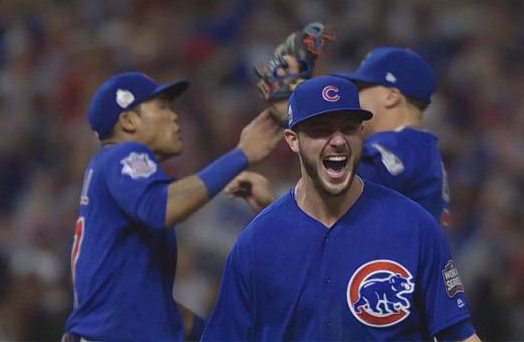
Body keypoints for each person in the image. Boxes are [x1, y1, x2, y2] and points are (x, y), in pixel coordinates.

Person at [202, 76, 479, 341]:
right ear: (292, 140)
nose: (337, 140)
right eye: (320, 130)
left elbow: (459, 335)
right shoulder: (256, 242)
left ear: (361, 133)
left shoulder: (414, 226)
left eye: (347, 128)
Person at [63, 72, 281, 342]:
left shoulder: (117, 182)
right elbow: (161, 207)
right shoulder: (122, 154)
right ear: (129, 121)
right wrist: (241, 154)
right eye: (162, 106)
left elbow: (159, 312)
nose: (174, 116)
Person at [264, 41, 451, 225]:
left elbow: (333, 191)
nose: (355, 94)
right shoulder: (420, 147)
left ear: (391, 96)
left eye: (361, 87)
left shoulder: (400, 144)